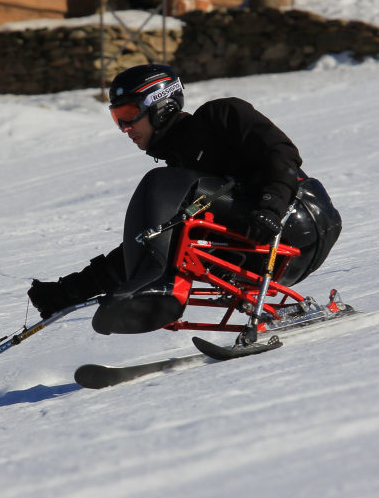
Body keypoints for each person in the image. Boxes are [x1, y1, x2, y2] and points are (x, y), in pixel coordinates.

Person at [27, 63, 341, 335]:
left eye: (128, 114)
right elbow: (149, 241)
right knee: (168, 225)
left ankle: (160, 288)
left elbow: (282, 154)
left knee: (162, 185)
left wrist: (272, 207)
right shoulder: (179, 176)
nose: (124, 128)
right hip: (255, 252)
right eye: (116, 118)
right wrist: (69, 292)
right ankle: (148, 286)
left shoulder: (219, 116)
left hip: (299, 219)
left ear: (159, 104)